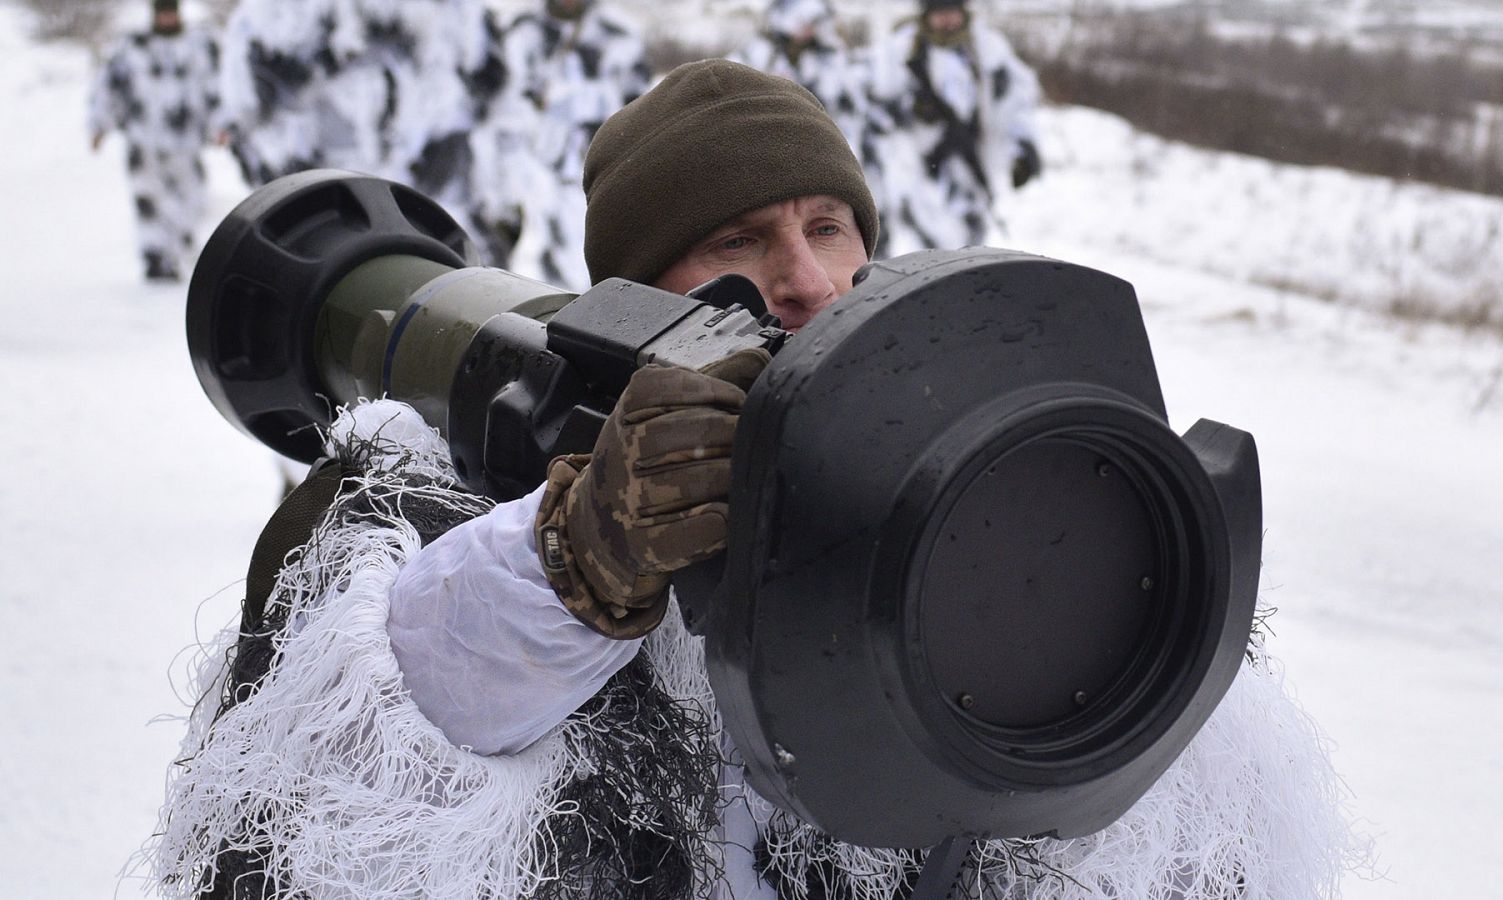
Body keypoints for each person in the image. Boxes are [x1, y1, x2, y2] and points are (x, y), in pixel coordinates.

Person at [147, 61, 1355, 900]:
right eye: (733, 243)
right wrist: (584, 560)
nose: (805, 278)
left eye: (828, 225)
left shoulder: (944, 464)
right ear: (632, 298)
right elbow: (384, 763)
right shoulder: (474, 516)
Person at [214, 0, 508, 256]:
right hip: (331, 169)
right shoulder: (284, 14)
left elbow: (485, 79)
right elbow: (255, 96)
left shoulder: (452, 14)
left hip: (415, 161)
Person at [864, 0, 1043, 256]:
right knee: (924, 250)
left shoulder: (987, 50)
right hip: (919, 171)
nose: (947, 20)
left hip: (972, 167)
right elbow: (875, 103)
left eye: (952, 11)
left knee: (971, 248)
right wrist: (904, 109)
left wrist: (1024, 146)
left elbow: (1016, 102)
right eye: (940, 12)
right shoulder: (901, 50)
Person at [498, 0, 651, 287]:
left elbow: (639, 111)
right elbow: (501, 106)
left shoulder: (619, 36)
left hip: (594, 176)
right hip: (525, 173)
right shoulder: (517, 31)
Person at [88, 0, 220, 281]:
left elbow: (213, 88)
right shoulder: (133, 48)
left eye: (171, 12)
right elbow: (109, 85)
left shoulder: (196, 47)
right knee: (149, 200)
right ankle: (155, 256)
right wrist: (99, 125)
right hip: (144, 141)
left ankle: (181, 239)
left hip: (186, 143)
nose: (167, 18)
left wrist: (219, 125)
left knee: (189, 198)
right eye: (162, 13)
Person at [730, 0, 871, 158]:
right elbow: (732, 82)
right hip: (766, 140)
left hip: (821, 143)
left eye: (813, 22)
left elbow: (848, 104)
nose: (807, 29)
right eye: (803, 21)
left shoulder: (827, 55)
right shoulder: (761, 51)